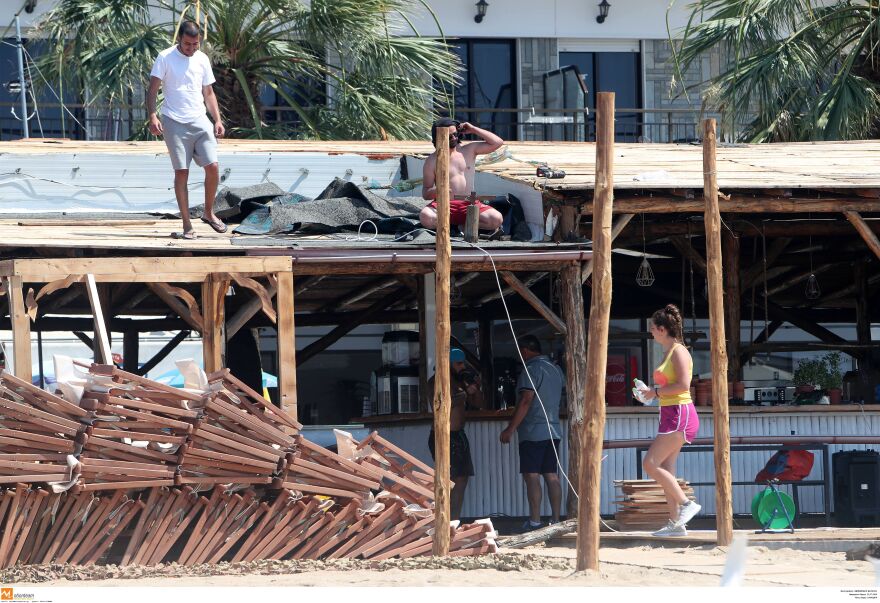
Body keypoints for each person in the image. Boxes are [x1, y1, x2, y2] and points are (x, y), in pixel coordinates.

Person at [147, 20, 226, 240]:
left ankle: (209, 213)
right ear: (179, 39)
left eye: (196, 44)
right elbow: (153, 89)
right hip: (174, 121)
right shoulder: (165, 57)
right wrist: (153, 115)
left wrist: (217, 119)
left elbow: (208, 92)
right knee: (182, 172)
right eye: (188, 44)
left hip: (200, 120)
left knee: (213, 166)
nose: (192, 48)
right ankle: (187, 225)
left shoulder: (202, 59)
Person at [636, 304, 702, 537]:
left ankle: (686, 505)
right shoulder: (668, 352)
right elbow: (668, 387)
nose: (651, 333)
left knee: (650, 464)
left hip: (680, 413)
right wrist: (650, 393)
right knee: (665, 469)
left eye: (653, 329)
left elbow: (684, 385)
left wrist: (655, 391)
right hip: (669, 413)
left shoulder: (679, 351)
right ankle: (676, 524)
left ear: (663, 329)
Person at [500, 335, 563, 530]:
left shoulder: (531, 369)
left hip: (533, 430)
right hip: (553, 429)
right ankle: (556, 520)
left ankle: (535, 521)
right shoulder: (556, 369)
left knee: (532, 475)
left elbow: (526, 399)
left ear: (525, 350)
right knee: (551, 474)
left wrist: (510, 429)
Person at [420, 118, 504, 232]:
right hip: (444, 204)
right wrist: (437, 190)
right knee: (425, 217)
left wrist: (473, 129)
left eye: (455, 134)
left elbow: (497, 142)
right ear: (438, 137)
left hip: (469, 203)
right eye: (450, 136)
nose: (454, 138)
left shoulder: (469, 150)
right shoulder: (431, 161)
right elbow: (425, 193)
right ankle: (449, 227)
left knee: (496, 219)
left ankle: (463, 226)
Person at [428, 348, 484, 521]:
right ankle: (445, 521)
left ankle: (454, 520)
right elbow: (441, 405)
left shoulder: (460, 381)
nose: (462, 367)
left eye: (463, 364)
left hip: (459, 435)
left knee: (462, 480)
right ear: (448, 364)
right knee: (449, 480)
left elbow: (479, 403)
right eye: (459, 364)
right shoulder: (435, 381)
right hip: (444, 436)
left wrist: (476, 388)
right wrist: (466, 392)